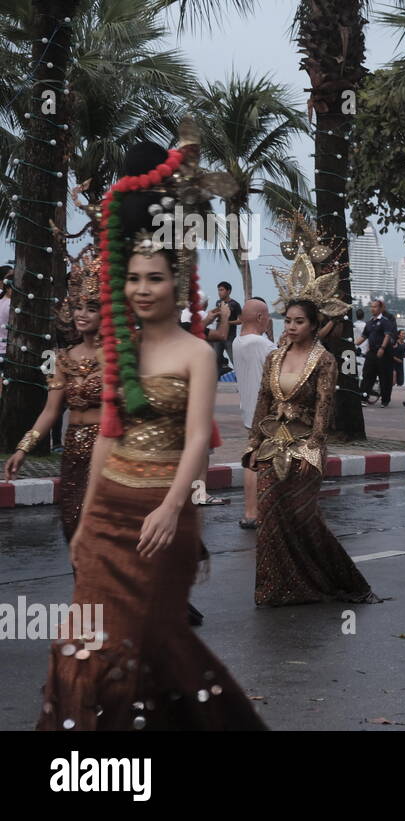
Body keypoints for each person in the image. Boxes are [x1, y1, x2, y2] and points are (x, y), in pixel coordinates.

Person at [37, 136, 264, 730]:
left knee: (151, 652)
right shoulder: (121, 350)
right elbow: (110, 435)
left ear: (175, 279)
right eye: (133, 278)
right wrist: (85, 522)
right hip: (109, 509)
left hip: (162, 518)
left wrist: (170, 508)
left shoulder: (196, 354)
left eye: (155, 278)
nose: (142, 289)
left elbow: (196, 440)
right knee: (80, 650)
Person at [244, 298, 381, 606]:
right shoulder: (274, 357)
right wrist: (252, 444)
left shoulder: (324, 360)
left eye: (299, 321)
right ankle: (274, 589)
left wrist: (313, 448)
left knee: (304, 518)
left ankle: (344, 581)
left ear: (315, 325)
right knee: (268, 516)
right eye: (288, 320)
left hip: (305, 446)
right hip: (271, 444)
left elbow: (324, 409)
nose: (291, 326)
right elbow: (263, 402)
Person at [5, 250, 102, 542]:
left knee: (101, 534)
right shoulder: (63, 358)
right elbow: (51, 411)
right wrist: (23, 449)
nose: (82, 314)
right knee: (74, 528)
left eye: (92, 308)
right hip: (73, 452)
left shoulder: (119, 356)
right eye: (79, 307)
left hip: (110, 452)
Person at [231, 297, 277, 529]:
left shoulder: (238, 342)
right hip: (267, 413)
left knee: (253, 459)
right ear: (260, 318)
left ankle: (251, 511)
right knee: (263, 461)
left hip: (249, 409)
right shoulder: (262, 345)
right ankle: (258, 511)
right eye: (267, 316)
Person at [358, 298, 396, 406]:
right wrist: (353, 345)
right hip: (372, 352)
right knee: (367, 375)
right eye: (371, 306)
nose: (372, 309)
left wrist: (382, 348)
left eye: (375, 307)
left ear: (380, 308)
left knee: (385, 377)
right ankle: (364, 398)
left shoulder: (385, 322)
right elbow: (363, 336)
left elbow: (387, 335)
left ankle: (385, 400)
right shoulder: (369, 323)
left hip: (384, 353)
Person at [205, 280, 241, 373]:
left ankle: (242, 378)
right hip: (218, 335)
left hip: (230, 337)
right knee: (215, 359)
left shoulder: (235, 304)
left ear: (228, 291)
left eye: (222, 290)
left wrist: (227, 323)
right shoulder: (218, 302)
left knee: (235, 360)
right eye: (218, 290)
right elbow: (215, 312)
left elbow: (241, 321)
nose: (219, 292)